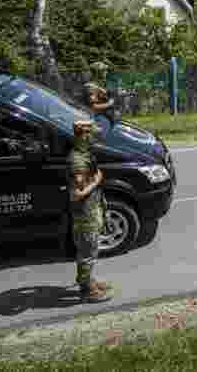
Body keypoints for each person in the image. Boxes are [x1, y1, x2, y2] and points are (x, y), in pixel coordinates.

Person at [69, 120, 113, 302]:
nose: (96, 138)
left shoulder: (84, 153)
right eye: (93, 135)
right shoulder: (78, 160)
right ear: (84, 135)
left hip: (91, 209)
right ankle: (87, 290)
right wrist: (97, 180)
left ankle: (88, 279)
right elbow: (77, 194)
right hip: (85, 214)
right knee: (87, 251)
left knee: (91, 249)